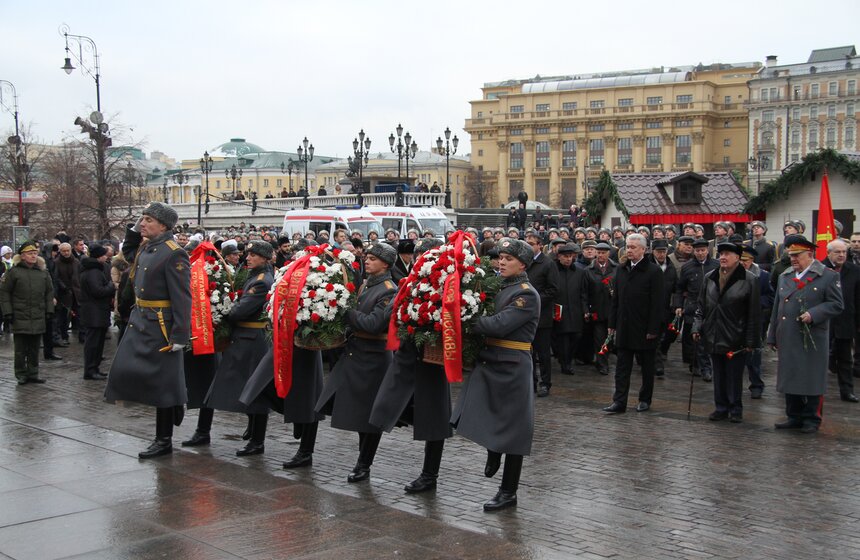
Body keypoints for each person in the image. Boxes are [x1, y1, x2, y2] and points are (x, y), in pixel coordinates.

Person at [451, 238, 539, 511]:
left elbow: (499, 325)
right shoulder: (495, 287)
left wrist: (463, 319)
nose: (501, 262)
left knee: (515, 432)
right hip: (489, 361)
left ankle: (508, 491)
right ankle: (493, 448)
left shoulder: (526, 294)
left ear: (522, 263)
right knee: (471, 411)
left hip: (513, 365)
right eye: (500, 257)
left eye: (508, 259)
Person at [105, 202, 192, 458]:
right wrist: (136, 227)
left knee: (162, 385)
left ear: (164, 225)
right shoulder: (146, 247)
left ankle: (163, 439)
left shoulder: (173, 253)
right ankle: (176, 402)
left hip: (161, 326)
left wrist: (179, 334)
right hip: (140, 320)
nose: (143, 224)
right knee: (123, 371)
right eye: (142, 219)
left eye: (148, 220)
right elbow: (129, 249)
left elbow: (182, 297)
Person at [368, 238, 453, 494]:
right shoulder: (408, 282)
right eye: (418, 255)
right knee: (381, 411)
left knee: (434, 422)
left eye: (426, 255)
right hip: (406, 359)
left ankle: (429, 475)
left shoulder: (449, 284)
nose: (420, 260)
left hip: (431, 362)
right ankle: (363, 463)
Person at [315, 242, 398, 482]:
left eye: (373, 258)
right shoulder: (365, 284)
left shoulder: (389, 289)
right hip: (356, 354)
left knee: (371, 418)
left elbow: (374, 324)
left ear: (386, 264)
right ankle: (362, 461)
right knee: (358, 413)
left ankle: (364, 464)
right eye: (367, 257)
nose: (367, 261)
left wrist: (345, 309)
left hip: (374, 360)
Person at [203, 241, 275, 456]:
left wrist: (226, 308)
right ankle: (252, 431)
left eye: (253, 255)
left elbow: (240, 311)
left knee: (257, 393)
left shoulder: (262, 281)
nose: (248, 258)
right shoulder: (256, 276)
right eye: (248, 254)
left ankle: (257, 440)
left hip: (253, 340)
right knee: (248, 390)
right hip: (246, 339)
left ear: (264, 258)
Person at [768, 235, 843, 434]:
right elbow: (777, 307)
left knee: (812, 377)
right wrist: (772, 335)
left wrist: (814, 313)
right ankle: (794, 415)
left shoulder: (827, 275)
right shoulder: (785, 275)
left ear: (810, 254)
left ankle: (812, 418)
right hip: (788, 334)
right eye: (791, 255)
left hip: (812, 337)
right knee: (790, 375)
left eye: (797, 255)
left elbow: (837, 304)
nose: (793, 259)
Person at [692, 243, 761, 423]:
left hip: (735, 335)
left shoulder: (749, 279)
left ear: (737, 257)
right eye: (721, 253)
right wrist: (696, 326)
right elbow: (701, 306)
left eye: (727, 254)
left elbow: (754, 313)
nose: (723, 257)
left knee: (734, 375)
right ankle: (720, 407)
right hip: (713, 333)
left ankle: (735, 409)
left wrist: (750, 341)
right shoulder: (710, 277)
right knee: (719, 374)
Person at [602, 234, 663, 414]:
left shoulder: (653, 271)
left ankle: (645, 399)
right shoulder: (621, 270)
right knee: (622, 367)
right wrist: (612, 323)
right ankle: (619, 401)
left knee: (646, 367)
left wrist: (653, 329)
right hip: (624, 326)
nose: (629, 250)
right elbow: (616, 300)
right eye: (628, 247)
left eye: (634, 247)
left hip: (645, 328)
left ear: (643, 250)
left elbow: (657, 303)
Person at [0, 241, 54, 385]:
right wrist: (8, 313)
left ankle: (33, 373)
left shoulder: (43, 272)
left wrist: (49, 310)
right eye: (30, 254)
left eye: (35, 253)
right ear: (22, 256)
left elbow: (49, 293)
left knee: (34, 348)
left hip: (38, 314)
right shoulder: (13, 272)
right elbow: (5, 293)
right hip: (20, 315)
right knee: (20, 349)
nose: (33, 256)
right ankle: (21, 374)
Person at [822, 240, 859, 402]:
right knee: (821, 358)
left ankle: (847, 391)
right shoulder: (820, 268)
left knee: (845, 358)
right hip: (824, 321)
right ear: (829, 252)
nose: (842, 255)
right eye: (838, 252)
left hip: (845, 320)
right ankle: (816, 391)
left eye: (844, 251)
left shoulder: (854, 270)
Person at [675, 239, 718, 380]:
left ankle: (707, 367)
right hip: (692, 305)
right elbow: (680, 288)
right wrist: (679, 305)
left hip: (711, 306)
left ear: (707, 250)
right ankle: (694, 364)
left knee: (707, 338)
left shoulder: (716, 265)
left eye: (703, 250)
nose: (700, 253)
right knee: (692, 338)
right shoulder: (687, 267)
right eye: (697, 250)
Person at [524, 232, 559, 397]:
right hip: (525, 316)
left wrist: (534, 300)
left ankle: (546, 383)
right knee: (528, 352)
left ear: (539, 245)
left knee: (543, 353)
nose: (528, 246)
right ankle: (531, 382)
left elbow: (553, 290)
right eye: (526, 243)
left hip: (542, 316)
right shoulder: (523, 262)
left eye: (531, 243)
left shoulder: (547, 263)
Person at [740, 246, 774, 399]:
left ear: (752, 261)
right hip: (735, 320)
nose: (742, 263)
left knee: (754, 354)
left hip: (754, 319)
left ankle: (756, 385)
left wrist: (755, 302)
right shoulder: (730, 273)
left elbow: (770, 297)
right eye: (740, 260)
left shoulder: (763, 276)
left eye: (745, 261)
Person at [78, 245, 116, 380]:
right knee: (93, 343)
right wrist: (111, 286)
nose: (107, 257)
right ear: (99, 256)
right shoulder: (93, 271)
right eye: (104, 255)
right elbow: (98, 291)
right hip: (94, 312)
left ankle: (95, 368)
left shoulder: (93, 270)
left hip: (96, 312)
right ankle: (90, 369)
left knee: (98, 343)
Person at [553, 243, 588, 376]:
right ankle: (565, 363)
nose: (568, 259)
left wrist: (584, 310)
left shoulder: (580, 272)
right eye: (565, 256)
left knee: (576, 336)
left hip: (575, 309)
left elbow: (584, 292)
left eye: (570, 256)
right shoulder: (553, 271)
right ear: (559, 257)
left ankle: (568, 359)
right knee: (562, 339)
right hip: (559, 309)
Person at [585, 242, 616, 375]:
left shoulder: (617, 269)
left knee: (610, 338)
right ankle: (602, 363)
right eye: (599, 252)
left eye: (603, 253)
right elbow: (584, 293)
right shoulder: (588, 271)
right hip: (596, 310)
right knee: (599, 338)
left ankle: (605, 358)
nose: (600, 255)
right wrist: (586, 309)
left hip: (612, 310)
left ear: (609, 253)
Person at [650, 239, 678, 377]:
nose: (661, 254)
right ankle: (657, 364)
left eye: (664, 251)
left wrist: (677, 305)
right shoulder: (647, 265)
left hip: (666, 307)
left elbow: (677, 288)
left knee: (666, 334)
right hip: (649, 308)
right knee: (654, 337)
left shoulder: (671, 267)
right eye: (658, 251)